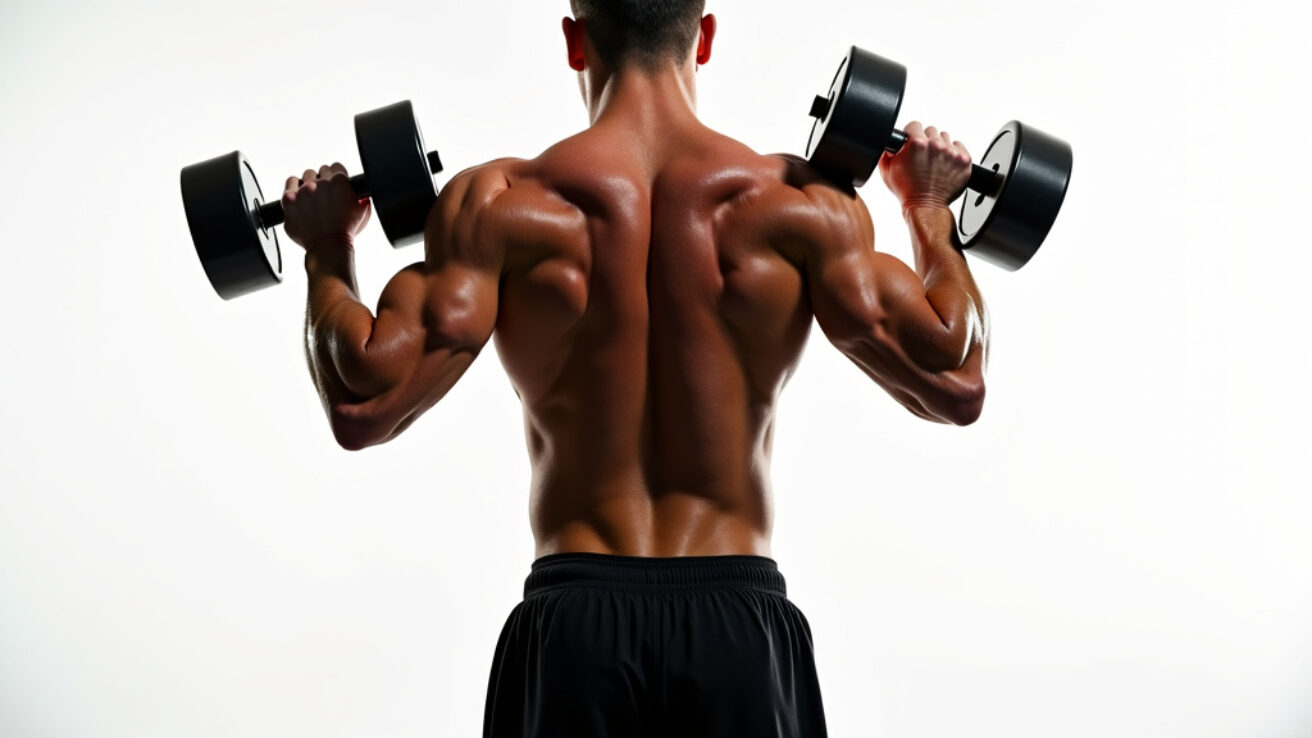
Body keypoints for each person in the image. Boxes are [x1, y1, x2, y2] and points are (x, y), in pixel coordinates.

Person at [279, 2, 988, 735]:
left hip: (574, 631)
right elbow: (956, 378)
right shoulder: (801, 206)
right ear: (704, 37)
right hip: (738, 635)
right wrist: (928, 206)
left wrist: (328, 246)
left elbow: (364, 400)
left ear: (574, 41)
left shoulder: (497, 206)